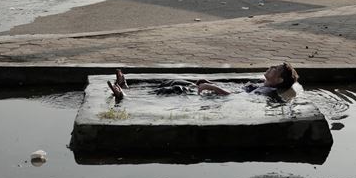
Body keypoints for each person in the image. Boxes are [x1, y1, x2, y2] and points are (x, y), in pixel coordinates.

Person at [106, 63, 299, 99]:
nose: (271, 67)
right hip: (210, 94)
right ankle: (126, 87)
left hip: (215, 98)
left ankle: (125, 96)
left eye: (276, 69)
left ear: (278, 79)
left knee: (174, 90)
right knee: (172, 83)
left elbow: (234, 97)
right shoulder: (262, 84)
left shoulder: (266, 92)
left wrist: (211, 87)